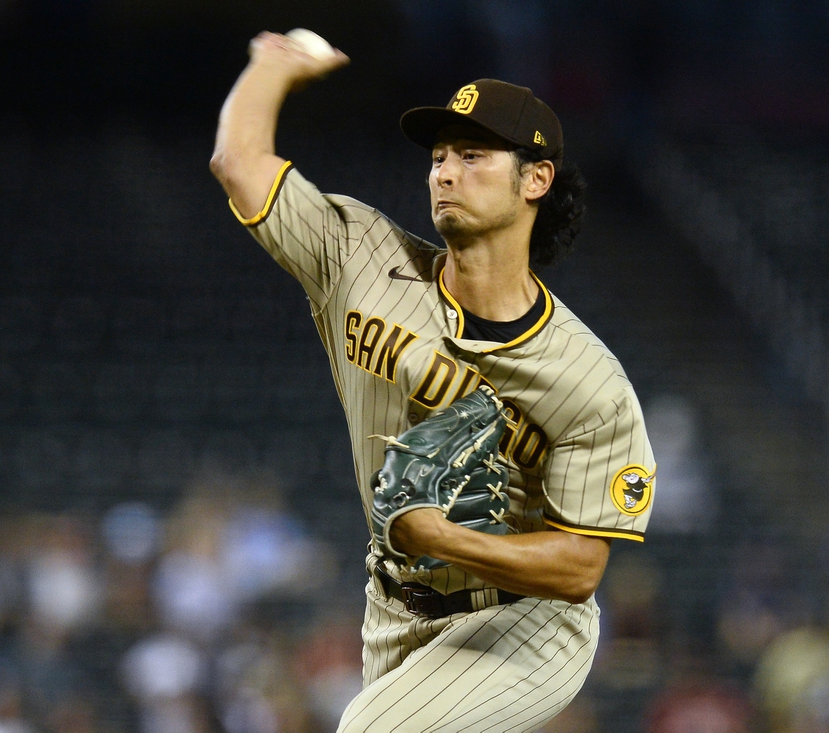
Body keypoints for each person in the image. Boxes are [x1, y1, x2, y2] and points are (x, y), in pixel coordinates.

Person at [210, 31, 656, 733]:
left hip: (528, 624)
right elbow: (238, 162)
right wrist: (273, 65)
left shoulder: (586, 379)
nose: (445, 172)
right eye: (439, 156)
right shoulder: (360, 256)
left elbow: (578, 568)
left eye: (473, 156)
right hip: (393, 606)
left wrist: (445, 538)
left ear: (534, 179)